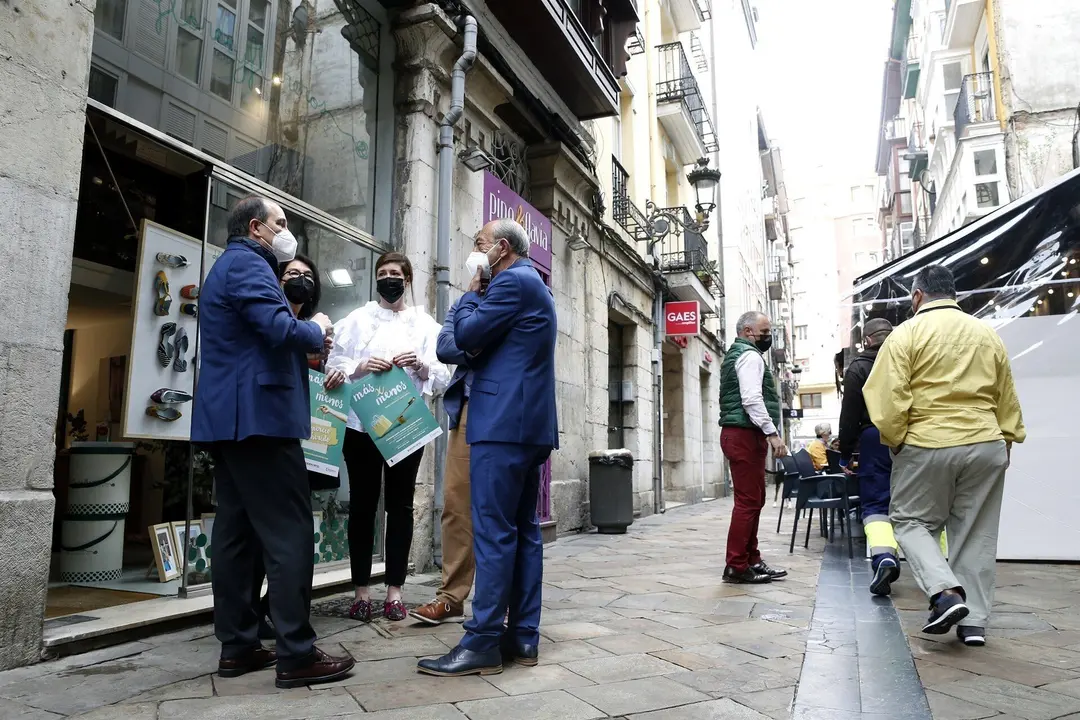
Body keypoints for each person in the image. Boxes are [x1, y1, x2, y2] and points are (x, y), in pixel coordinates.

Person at [191, 195, 354, 688]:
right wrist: (316, 328)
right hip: (260, 420)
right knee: (289, 533)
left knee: (237, 536)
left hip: (236, 421)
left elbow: (257, 339)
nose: (288, 232)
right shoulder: (249, 265)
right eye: (280, 223)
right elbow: (279, 329)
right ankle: (297, 653)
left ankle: (239, 646)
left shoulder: (230, 267)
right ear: (256, 228)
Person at [418, 218, 558, 677]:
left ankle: (481, 642)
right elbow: (456, 346)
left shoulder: (511, 283)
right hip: (524, 425)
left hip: (501, 424)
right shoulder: (530, 284)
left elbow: (462, 339)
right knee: (523, 533)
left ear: (501, 248)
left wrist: (469, 296)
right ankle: (522, 636)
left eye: (480, 243)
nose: (475, 250)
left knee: (494, 533)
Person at [864, 265, 1025, 646]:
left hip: (928, 440)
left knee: (910, 521)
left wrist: (896, 439)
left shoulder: (906, 334)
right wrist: (1006, 438)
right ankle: (974, 625)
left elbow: (887, 398)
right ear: (954, 294)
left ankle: (945, 592)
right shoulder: (986, 333)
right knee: (976, 532)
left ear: (917, 296)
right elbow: (1006, 393)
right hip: (985, 441)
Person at [326, 252, 450, 623]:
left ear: (407, 279)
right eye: (382, 273)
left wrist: (421, 364)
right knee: (362, 506)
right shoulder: (357, 319)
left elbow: (442, 376)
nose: (388, 278)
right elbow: (334, 363)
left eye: (395, 273)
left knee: (400, 506)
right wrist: (359, 366)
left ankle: (395, 590)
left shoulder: (425, 325)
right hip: (360, 425)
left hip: (405, 425)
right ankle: (361, 591)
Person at [250, 254, 347, 640]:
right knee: (263, 530)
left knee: (296, 530)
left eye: (307, 276)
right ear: (278, 280)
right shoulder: (272, 322)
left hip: (309, 441)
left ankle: (282, 608)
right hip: (271, 433)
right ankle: (255, 610)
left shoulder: (321, 330)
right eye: (292, 273)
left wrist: (333, 371)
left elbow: (326, 379)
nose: (300, 280)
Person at [410, 295, 476, 625]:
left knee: (502, 509)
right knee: (456, 504)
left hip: (505, 407)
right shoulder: (466, 301)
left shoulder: (516, 289)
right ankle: (451, 597)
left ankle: (504, 601)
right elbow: (445, 346)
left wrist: (473, 344)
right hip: (467, 407)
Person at [718, 311, 788, 585]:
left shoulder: (739, 354)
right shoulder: (750, 356)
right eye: (765, 331)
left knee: (754, 500)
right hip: (744, 435)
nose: (768, 336)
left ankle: (751, 560)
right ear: (748, 331)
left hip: (742, 433)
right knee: (748, 502)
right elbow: (751, 399)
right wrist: (772, 434)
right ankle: (736, 565)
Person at [837, 318, 900, 596]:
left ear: (867, 340)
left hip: (875, 438)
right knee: (920, 502)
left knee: (876, 503)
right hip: (912, 436)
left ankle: (884, 557)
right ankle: (938, 566)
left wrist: (845, 454)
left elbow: (849, 415)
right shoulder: (908, 359)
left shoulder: (859, 367)